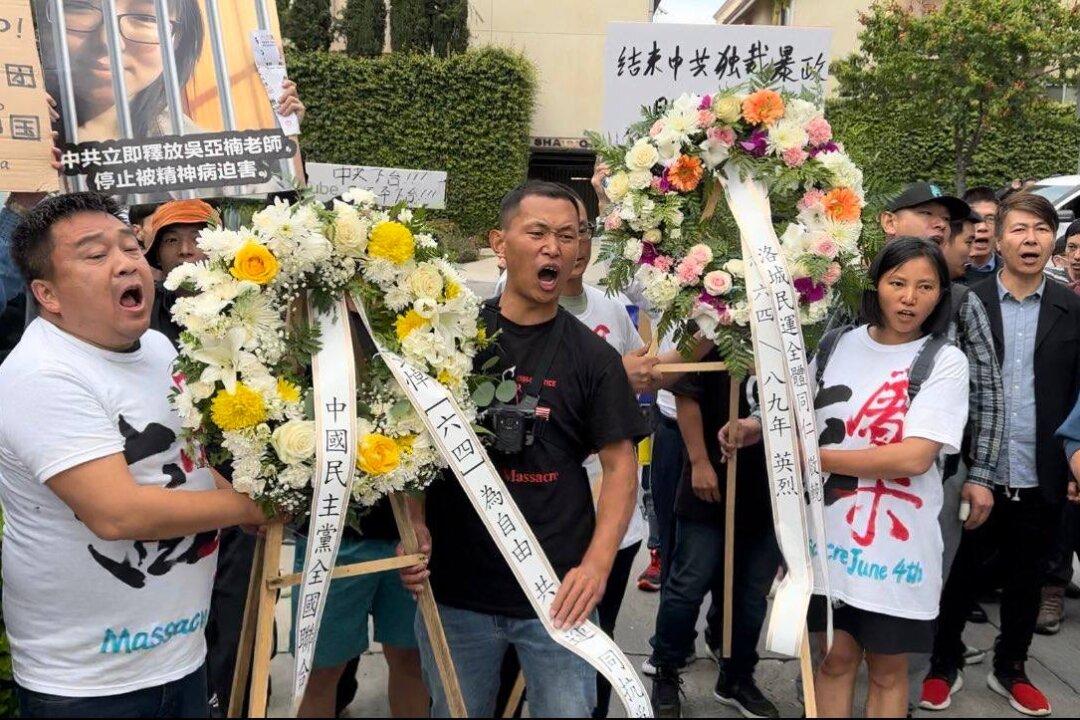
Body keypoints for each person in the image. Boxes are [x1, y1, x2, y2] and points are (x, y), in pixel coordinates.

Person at [0, 192, 270, 717]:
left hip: (182, 655)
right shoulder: (42, 374)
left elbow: (188, 458)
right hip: (91, 685)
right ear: (47, 294)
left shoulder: (158, 349)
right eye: (96, 255)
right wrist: (253, 506)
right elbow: (117, 514)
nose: (126, 263)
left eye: (129, 247)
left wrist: (238, 499)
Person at [398, 180, 650, 717]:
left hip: (558, 595)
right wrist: (413, 524)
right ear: (499, 242)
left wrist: (597, 566)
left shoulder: (595, 357)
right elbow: (410, 445)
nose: (553, 247)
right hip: (456, 590)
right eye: (537, 233)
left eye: (567, 235)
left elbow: (620, 466)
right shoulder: (450, 339)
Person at [808, 237, 970, 718]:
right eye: (897, 283)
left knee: (887, 671)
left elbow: (914, 458)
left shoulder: (945, 361)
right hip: (830, 540)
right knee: (833, 660)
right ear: (875, 285)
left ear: (941, 295)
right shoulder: (836, 345)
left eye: (926, 287)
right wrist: (756, 428)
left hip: (897, 552)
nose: (909, 298)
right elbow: (799, 413)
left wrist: (816, 458)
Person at [956, 192, 1080, 716]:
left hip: (1041, 468)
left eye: (1042, 229)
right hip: (973, 467)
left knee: (1027, 578)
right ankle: (942, 663)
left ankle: (1012, 667)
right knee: (959, 573)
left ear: (1054, 243)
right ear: (998, 240)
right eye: (1020, 229)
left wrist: (1074, 455)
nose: (1031, 240)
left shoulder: (1072, 308)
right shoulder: (968, 302)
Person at [648, 362, 782, 720]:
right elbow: (685, 393)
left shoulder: (799, 332)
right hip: (711, 477)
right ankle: (666, 669)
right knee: (688, 582)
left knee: (751, 593)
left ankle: (737, 676)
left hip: (770, 484)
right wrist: (699, 461)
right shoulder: (710, 329)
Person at [293, 502, 427, 718]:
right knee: (318, 671)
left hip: (410, 532)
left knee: (413, 660)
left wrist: (418, 517)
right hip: (329, 534)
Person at [963, 186, 1002, 285]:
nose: (982, 227)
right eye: (975, 218)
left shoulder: (1012, 273)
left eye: (990, 219)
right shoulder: (944, 272)